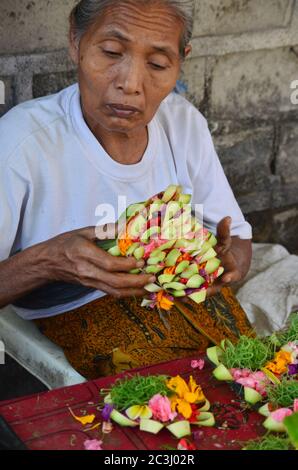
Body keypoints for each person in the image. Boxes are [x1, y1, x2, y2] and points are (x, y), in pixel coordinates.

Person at [0, 0, 253, 379]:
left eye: (157, 64)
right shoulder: (23, 141)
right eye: (112, 53)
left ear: (182, 60)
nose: (130, 84)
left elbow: (240, 244)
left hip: (180, 301)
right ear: (76, 40)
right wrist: (48, 260)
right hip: (76, 315)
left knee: (260, 379)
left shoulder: (182, 123)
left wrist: (220, 266)